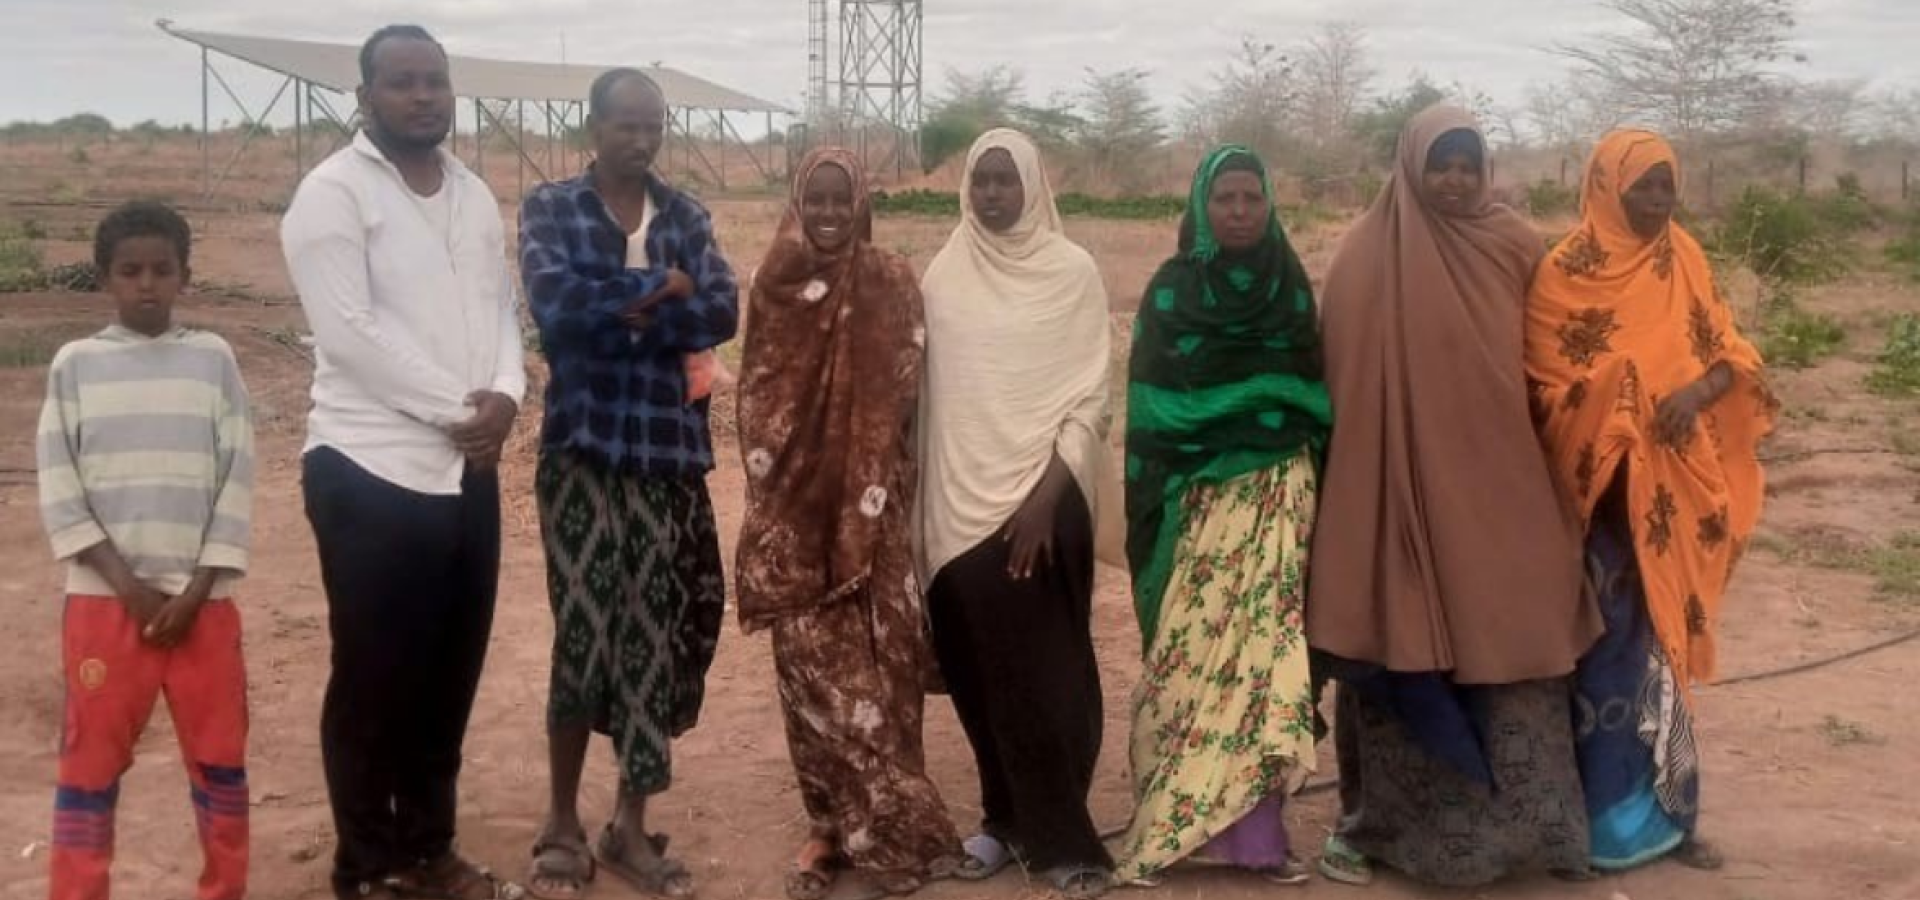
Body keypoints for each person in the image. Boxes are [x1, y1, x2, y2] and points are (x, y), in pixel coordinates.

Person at [1307, 106, 1602, 888]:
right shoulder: (1365, 257)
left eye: (1470, 164)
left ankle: (1542, 834)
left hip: (1504, 496)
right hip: (1397, 507)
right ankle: (1379, 831)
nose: (1457, 180)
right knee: (1399, 641)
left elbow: (1555, 364)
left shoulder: (1515, 246)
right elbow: (1340, 392)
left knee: (1519, 639)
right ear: (1411, 164)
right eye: (1443, 163)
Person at [281, 25, 525, 900]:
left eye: (436, 82)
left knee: (449, 673)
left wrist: (507, 390)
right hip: (369, 470)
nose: (424, 97)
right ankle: (367, 864)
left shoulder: (472, 194)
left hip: (470, 470)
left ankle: (430, 845)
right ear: (365, 97)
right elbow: (350, 337)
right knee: (375, 675)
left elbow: (501, 308)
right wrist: (462, 409)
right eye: (403, 84)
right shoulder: (334, 195)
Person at [1525, 128, 1774, 874]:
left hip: (1673, 500)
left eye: (1668, 187)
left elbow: (1734, 356)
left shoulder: (1684, 259)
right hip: (1596, 508)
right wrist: (1614, 397)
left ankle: (1671, 818)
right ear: (1606, 187)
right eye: (1645, 188)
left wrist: (1694, 391)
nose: (1660, 202)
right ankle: (1590, 825)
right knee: (1597, 661)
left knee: (1662, 659)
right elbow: (1540, 384)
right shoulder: (1563, 275)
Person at [517, 68, 737, 900]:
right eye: (625, 126)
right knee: (584, 626)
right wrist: (663, 290)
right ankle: (561, 823)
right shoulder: (552, 208)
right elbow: (556, 306)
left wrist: (652, 306)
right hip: (582, 449)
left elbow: (720, 311)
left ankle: (629, 826)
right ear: (594, 127)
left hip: (667, 455)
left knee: (651, 631)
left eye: (654, 127)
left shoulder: (687, 214)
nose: (640, 141)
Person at [735, 146, 959, 900]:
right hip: (797, 521)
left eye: (842, 200)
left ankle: (892, 829)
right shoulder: (775, 283)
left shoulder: (894, 282)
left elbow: (909, 395)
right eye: (816, 200)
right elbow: (760, 404)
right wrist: (795, 491)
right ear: (799, 204)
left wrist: (875, 483)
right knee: (812, 678)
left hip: (878, 514)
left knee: (886, 674)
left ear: (861, 205)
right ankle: (829, 826)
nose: (829, 214)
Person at [1111, 146, 1328, 889]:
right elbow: (1154, 412)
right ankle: (1176, 822)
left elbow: (1309, 393)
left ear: (1270, 204)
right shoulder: (1172, 292)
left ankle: (1261, 840)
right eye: (1226, 198)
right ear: (1202, 204)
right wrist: (1190, 475)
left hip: (1276, 497)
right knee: (1190, 663)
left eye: (1251, 198)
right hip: (1196, 503)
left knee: (1266, 671)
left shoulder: (1291, 289)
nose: (1239, 211)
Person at [916, 128, 1115, 900]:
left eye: (1005, 181)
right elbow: (931, 398)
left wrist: (1040, 502)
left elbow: (1089, 396)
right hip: (955, 509)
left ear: (1032, 185)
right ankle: (1003, 820)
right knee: (975, 675)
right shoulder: (944, 272)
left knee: (1046, 680)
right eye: (981, 182)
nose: (992, 195)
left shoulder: (1072, 274)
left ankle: (1067, 842)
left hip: (1044, 503)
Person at [37, 201, 253, 900]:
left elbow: (237, 475)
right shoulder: (76, 367)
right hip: (105, 607)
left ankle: (224, 888)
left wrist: (195, 589)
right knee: (89, 768)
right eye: (130, 271)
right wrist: (128, 585)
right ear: (105, 278)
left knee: (219, 764)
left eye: (163, 270)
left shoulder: (212, 361)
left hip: (205, 609)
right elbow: (61, 484)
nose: (148, 284)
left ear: (186, 276)